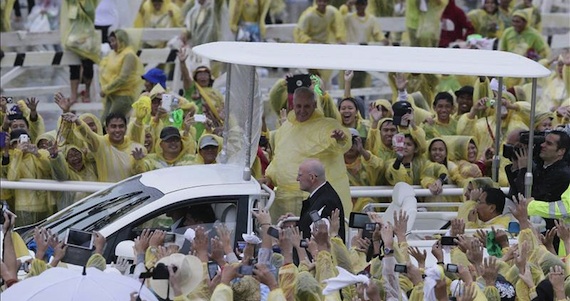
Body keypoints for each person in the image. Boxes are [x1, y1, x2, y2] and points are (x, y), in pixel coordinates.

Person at [264, 87, 351, 222]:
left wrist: (341, 138)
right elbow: (279, 158)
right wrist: (269, 177)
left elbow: (342, 142)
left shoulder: (325, 125)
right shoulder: (286, 128)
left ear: (314, 105)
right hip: (284, 202)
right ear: (292, 105)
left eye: (307, 106)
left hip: (316, 201)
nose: (302, 110)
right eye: (298, 106)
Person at [62, 112, 144, 182]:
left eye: (121, 126)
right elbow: (88, 135)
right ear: (107, 129)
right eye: (113, 126)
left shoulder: (133, 147)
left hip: (130, 195)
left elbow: (139, 175)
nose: (117, 130)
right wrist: (78, 122)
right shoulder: (101, 144)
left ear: (126, 128)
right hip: (108, 196)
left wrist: (138, 161)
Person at [98, 29, 144, 121]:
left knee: (112, 121)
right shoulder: (113, 54)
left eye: (114, 41)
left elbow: (124, 78)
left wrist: (106, 89)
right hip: (111, 94)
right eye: (110, 41)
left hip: (123, 95)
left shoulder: (129, 55)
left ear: (121, 40)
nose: (111, 44)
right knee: (103, 122)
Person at [60, 0, 100, 103]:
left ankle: (87, 91)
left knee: (88, 66)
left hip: (87, 39)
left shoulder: (90, 2)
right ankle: (73, 94)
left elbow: (91, 13)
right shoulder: (70, 3)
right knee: (73, 67)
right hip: (73, 39)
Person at [297, 159, 346, 241]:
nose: (297, 179)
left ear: (312, 177)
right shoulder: (319, 196)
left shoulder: (327, 201)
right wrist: (293, 223)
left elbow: (323, 239)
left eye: (300, 175)